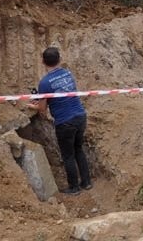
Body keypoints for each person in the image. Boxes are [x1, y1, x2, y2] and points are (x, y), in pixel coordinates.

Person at [29, 47, 92, 195]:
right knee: (78, 149)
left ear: (43, 61)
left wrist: (32, 105)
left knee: (68, 155)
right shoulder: (68, 73)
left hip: (65, 122)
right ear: (59, 59)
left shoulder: (44, 83)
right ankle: (87, 182)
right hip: (80, 116)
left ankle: (74, 187)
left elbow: (43, 109)